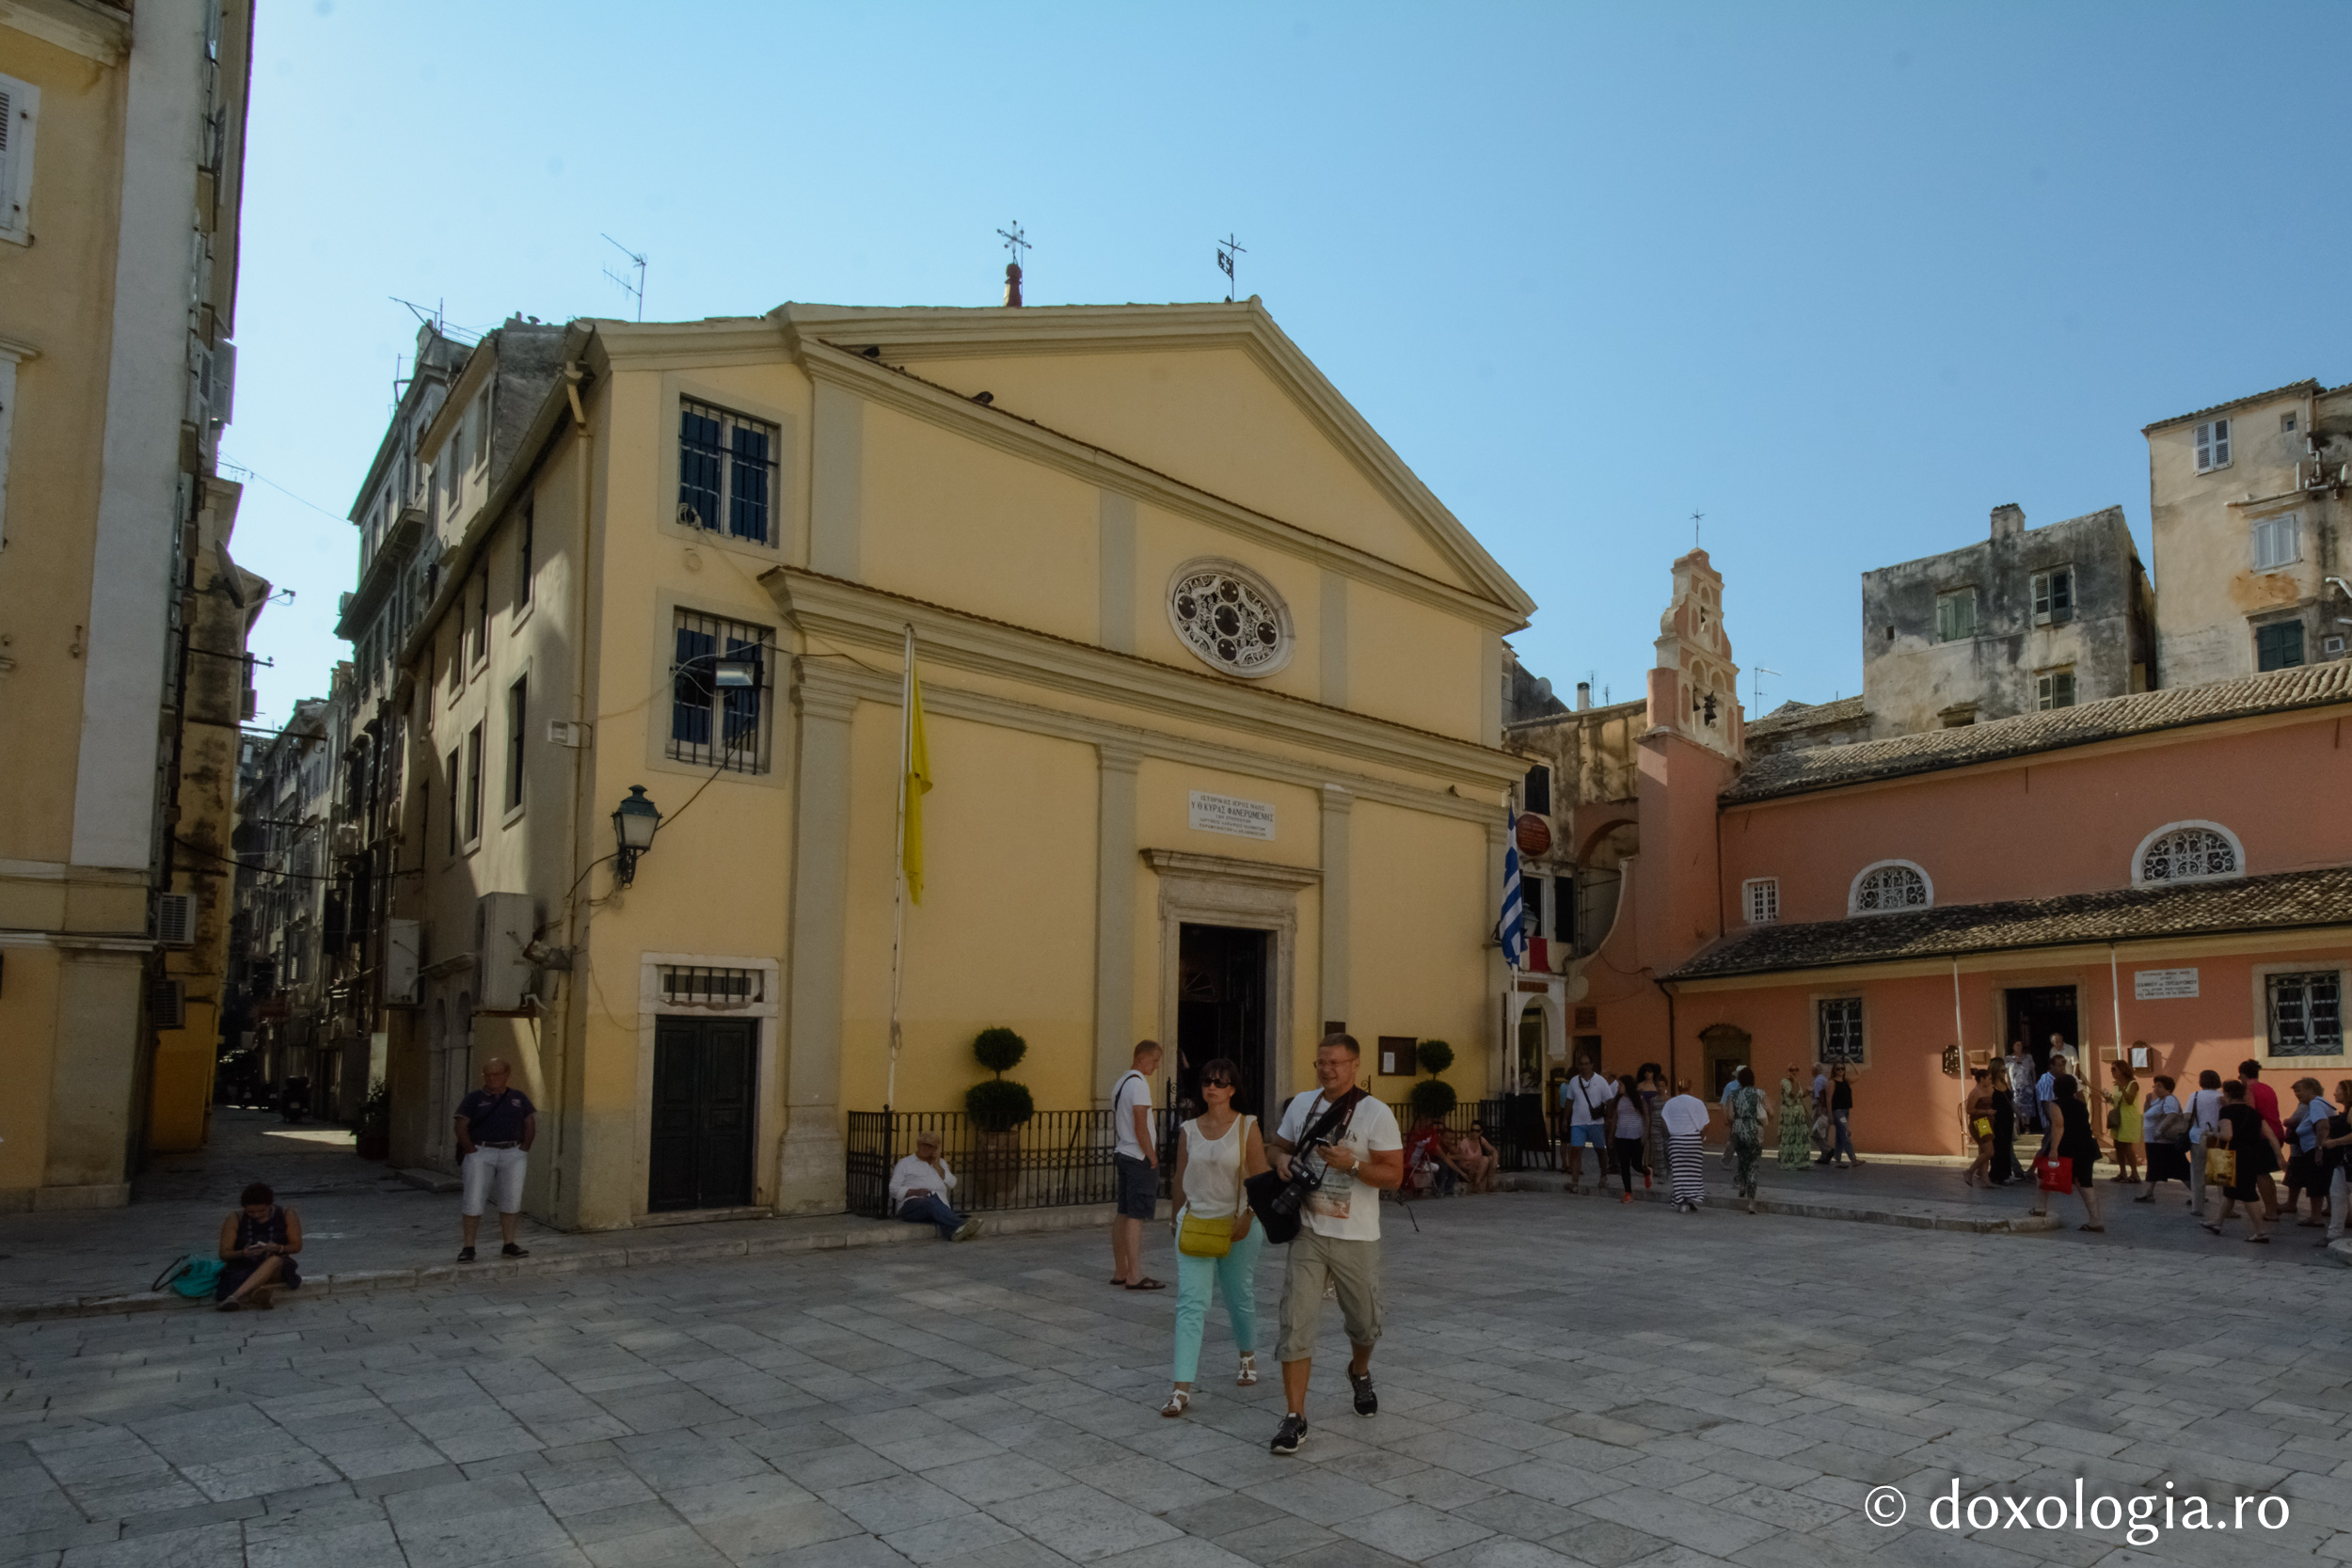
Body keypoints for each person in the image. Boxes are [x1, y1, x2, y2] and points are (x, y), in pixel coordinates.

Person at [1265, 1034, 1403, 1456]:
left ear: (1355, 1065)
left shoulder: (1376, 1113)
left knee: (1365, 1323)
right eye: (1321, 1062)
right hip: (1309, 1231)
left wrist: (1355, 1165)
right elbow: (1276, 1147)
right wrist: (1282, 1160)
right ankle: (1294, 1417)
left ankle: (1359, 1371)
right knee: (1295, 1321)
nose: (1327, 1069)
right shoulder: (1303, 1105)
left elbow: (1395, 1175)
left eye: (1336, 1063)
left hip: (1356, 1236)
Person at [1162, 1057, 1268, 1418]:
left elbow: (1261, 1177)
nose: (1212, 1087)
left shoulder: (1247, 1126)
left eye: (1220, 1082)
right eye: (1207, 1081)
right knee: (1191, 1304)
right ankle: (1181, 1388)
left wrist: (1249, 1216)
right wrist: (1175, 1220)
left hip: (1238, 1225)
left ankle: (1247, 1354)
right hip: (1195, 1223)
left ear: (1232, 1089)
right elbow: (1179, 1177)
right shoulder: (1188, 1129)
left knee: (1239, 1296)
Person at [455, 1057, 536, 1262]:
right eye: (488, 1074)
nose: (492, 1078)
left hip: (513, 1152)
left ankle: (509, 1244)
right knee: (473, 1199)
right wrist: (471, 1150)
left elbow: (529, 1122)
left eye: (496, 1074)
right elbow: (461, 1125)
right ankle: (468, 1247)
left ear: (506, 1075)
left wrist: (524, 1148)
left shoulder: (518, 1097)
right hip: (481, 1152)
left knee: (511, 1198)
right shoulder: (473, 1099)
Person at [1110, 1040, 1164, 1291]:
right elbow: (1141, 1124)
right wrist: (1151, 1155)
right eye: (1154, 1061)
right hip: (1137, 1156)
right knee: (1136, 1216)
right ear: (1142, 1058)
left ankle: (1121, 1270)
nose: (1155, 1066)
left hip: (1123, 1152)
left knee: (1123, 1212)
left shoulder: (1121, 1083)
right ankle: (1134, 1274)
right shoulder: (1140, 1085)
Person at [2203, 1079, 2282, 1243]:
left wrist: (2213, 1134)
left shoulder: (2226, 1111)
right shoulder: (2254, 1113)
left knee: (2248, 1195)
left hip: (2233, 1155)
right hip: (2252, 1154)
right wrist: (2280, 1156)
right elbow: (2271, 1136)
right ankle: (2218, 1222)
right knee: (2230, 1191)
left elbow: (2227, 1135)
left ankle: (2260, 1233)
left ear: (2226, 1094)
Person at [2029, 1071, 2104, 1231]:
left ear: (2056, 1089)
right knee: (2084, 1182)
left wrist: (2054, 1149)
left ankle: (2041, 1207)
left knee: (2044, 1174)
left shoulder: (2055, 1104)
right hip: (2085, 1145)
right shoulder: (2081, 1104)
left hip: (2067, 1145)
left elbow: (2058, 1126)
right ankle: (2095, 1220)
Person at [215, 1180, 302, 1311]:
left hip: (276, 1268)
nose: (256, 1215)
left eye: (262, 1211)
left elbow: (297, 1246)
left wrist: (279, 1248)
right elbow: (224, 1254)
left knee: (275, 1260)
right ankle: (257, 1293)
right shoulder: (235, 1218)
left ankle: (234, 1297)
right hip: (242, 1267)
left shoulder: (286, 1214)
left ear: (270, 1205)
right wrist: (243, 1253)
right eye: (251, 1212)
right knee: (237, 1273)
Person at [888, 1132, 977, 1241]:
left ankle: (954, 1233)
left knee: (936, 1207)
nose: (926, 1148)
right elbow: (893, 1188)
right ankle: (961, 1224)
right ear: (918, 1144)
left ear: (936, 1149)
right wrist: (914, 1192)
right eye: (923, 1144)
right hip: (912, 1206)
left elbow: (952, 1183)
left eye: (930, 1146)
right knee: (931, 1201)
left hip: (938, 1206)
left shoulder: (941, 1163)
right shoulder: (905, 1163)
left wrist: (938, 1167)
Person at [2282, 1079, 2335, 1227]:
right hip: (2314, 1149)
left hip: (2314, 1149)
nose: (2297, 1094)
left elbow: (2323, 1125)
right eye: (2295, 1092)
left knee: (2316, 1184)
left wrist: (2318, 1149)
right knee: (2323, 1183)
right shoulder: (2321, 1103)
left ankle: (2316, 1217)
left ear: (2311, 1089)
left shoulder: (2315, 1104)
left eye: (2300, 1090)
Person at [2238, 1059, 2285, 1220]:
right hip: (2276, 1132)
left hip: (2262, 1135)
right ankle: (2274, 1205)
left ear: (2243, 1075)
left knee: (2261, 1174)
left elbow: (2250, 1113)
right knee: (2266, 1173)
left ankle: (2271, 1211)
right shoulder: (2267, 1088)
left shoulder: (2249, 1089)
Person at [2135, 1074, 2191, 1202]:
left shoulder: (2169, 1099)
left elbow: (2171, 1115)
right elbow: (2147, 1114)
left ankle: (2198, 1193)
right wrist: (2147, 1100)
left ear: (2168, 1087)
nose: (2156, 1088)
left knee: (2179, 1168)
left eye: (2160, 1086)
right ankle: (2148, 1193)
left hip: (2163, 1141)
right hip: (2154, 1141)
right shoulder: (2158, 1101)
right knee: (2157, 1167)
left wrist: (2159, 1130)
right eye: (2155, 1085)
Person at [1562, 1056, 1613, 1194]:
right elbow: (1569, 1101)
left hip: (1595, 1123)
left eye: (1586, 1064)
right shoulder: (1574, 1081)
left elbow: (1609, 1100)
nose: (1584, 1066)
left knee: (1600, 1150)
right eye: (1581, 1064)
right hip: (1578, 1122)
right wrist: (1565, 1119)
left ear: (1592, 1065)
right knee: (1576, 1150)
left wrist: (1609, 1118)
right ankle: (1574, 1182)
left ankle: (1603, 1175)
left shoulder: (1600, 1081)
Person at [1658, 1080, 1709, 1212]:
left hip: (1676, 1140)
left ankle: (1683, 1202)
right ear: (1690, 1088)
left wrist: (1668, 1136)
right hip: (1693, 1139)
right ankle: (1691, 1198)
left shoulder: (1670, 1103)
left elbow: (1663, 1122)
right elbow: (1706, 1123)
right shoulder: (1698, 1102)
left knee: (1679, 1173)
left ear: (1678, 1089)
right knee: (1693, 1173)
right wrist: (1700, 1136)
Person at [1726, 1067, 1768, 1213]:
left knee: (1743, 1159)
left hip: (1738, 1130)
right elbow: (1770, 1111)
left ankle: (1742, 1183)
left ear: (1740, 1080)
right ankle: (1751, 1203)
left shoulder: (1733, 1094)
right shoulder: (1759, 1093)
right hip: (1755, 1131)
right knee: (1753, 1164)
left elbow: (1730, 1117)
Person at [1606, 1072, 1650, 1203]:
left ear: (1627, 1086)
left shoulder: (1639, 1100)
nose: (1618, 1087)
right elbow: (1615, 1118)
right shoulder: (1617, 1100)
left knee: (1636, 1165)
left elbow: (1646, 1118)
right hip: (1621, 1136)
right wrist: (1611, 1136)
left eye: (1620, 1084)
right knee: (1624, 1165)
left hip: (1636, 1137)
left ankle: (1647, 1172)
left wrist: (1645, 1135)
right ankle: (1628, 1192)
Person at [2185, 1069, 2225, 1214]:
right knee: (2220, 1174)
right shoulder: (2222, 1096)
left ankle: (2197, 1207)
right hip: (2217, 1136)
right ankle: (2225, 1208)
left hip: (2198, 1136)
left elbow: (2187, 1116)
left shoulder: (2195, 1096)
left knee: (2197, 1172)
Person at [2321, 1079, 2352, 1245]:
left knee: (2341, 1197)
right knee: (2337, 1196)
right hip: (2342, 1162)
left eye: (2338, 1090)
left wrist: (2335, 1142)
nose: (2335, 1093)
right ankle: (2333, 1234)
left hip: (2348, 1161)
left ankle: (2334, 1234)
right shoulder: (2345, 1112)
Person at [2108, 1067, 2143, 1185]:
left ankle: (2134, 1173)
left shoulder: (2133, 1084)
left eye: (2114, 1069)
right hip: (2118, 1117)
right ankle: (2122, 1172)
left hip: (2128, 1118)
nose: (2112, 1072)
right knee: (2118, 1145)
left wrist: (2122, 1088)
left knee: (2127, 1145)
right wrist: (2108, 1098)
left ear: (2123, 1070)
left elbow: (2129, 1100)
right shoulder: (2116, 1085)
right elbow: (2117, 1101)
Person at [1962, 1068, 1994, 1187]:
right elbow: (1970, 1110)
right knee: (1989, 1152)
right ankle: (1970, 1171)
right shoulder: (1975, 1093)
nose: (1991, 1081)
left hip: (1988, 1121)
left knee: (1983, 1151)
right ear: (1982, 1079)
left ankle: (1985, 1180)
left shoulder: (1989, 1089)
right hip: (1981, 1122)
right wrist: (1987, 1111)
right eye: (1989, 1079)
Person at [1824, 1064, 1861, 1168]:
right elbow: (1828, 1100)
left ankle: (1838, 1160)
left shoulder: (1846, 1081)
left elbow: (1859, 1075)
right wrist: (1830, 1115)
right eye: (1838, 1069)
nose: (1840, 1070)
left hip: (1845, 1110)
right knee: (1845, 1134)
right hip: (1837, 1111)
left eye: (1842, 1068)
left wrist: (1852, 1063)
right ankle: (1853, 1159)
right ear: (1834, 1071)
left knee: (1840, 1136)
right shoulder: (1832, 1082)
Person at [1989, 1067, 2021, 1184]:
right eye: (2002, 1070)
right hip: (1997, 1120)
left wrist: (2017, 1113)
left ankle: (2006, 1173)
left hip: (2007, 1119)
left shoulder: (2004, 1083)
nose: (2004, 1072)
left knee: (2007, 1146)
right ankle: (1997, 1174)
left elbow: (2010, 1100)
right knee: (1996, 1147)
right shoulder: (1991, 1087)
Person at [1775, 1067, 1811, 1170]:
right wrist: (1795, 1082)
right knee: (1790, 1137)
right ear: (1787, 1071)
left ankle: (1801, 1162)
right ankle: (1788, 1163)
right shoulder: (1785, 1082)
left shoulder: (1796, 1082)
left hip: (1799, 1113)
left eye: (1796, 1070)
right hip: (1789, 1114)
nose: (1794, 1072)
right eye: (1791, 1070)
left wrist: (1806, 1093)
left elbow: (1798, 1096)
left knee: (1801, 1137)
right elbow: (1792, 1094)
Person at [2004, 1040, 2038, 1136]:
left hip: (2027, 1086)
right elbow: (2006, 1074)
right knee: (2016, 1106)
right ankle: (2017, 1127)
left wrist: (2034, 1083)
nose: (2020, 1047)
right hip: (2015, 1087)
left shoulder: (2028, 1057)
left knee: (2027, 1107)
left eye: (2021, 1045)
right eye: (2017, 1045)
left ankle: (2027, 1126)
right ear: (2013, 1047)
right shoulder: (2008, 1059)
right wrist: (2008, 1086)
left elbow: (2033, 1071)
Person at [1454, 1122, 1498, 1194]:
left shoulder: (1481, 1140)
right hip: (1468, 1173)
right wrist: (1469, 1167)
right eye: (1472, 1130)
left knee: (1491, 1158)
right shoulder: (1465, 1142)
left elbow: (1493, 1150)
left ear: (1481, 1132)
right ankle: (1476, 1185)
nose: (1474, 1133)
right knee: (1485, 1159)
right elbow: (1459, 1162)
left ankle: (1489, 1184)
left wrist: (1495, 1160)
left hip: (1479, 1171)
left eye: (1477, 1131)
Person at [1809, 1063, 1832, 1164]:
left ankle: (1827, 1150)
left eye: (1812, 1069)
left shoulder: (1818, 1080)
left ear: (1815, 1070)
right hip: (1826, 1110)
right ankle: (1824, 1156)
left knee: (1815, 1133)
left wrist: (1819, 1109)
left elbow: (1819, 1096)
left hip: (1820, 1109)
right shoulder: (1824, 1079)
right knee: (1823, 1133)